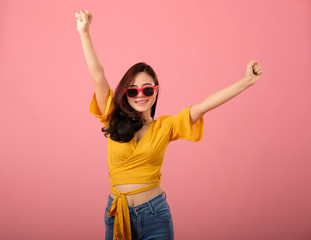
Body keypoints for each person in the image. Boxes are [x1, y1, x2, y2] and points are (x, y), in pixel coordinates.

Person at [75, 9, 263, 240]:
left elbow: (203, 106)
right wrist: (84, 33)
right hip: (117, 213)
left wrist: (245, 82)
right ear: (126, 93)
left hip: (155, 214)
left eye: (147, 89)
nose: (140, 95)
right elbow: (98, 75)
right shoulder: (112, 116)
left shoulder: (165, 126)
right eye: (133, 90)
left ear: (155, 91)